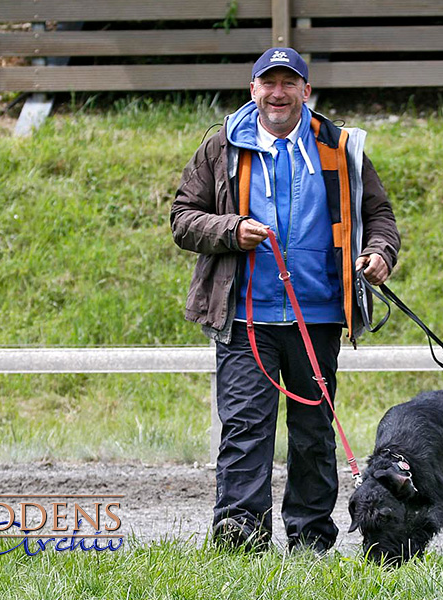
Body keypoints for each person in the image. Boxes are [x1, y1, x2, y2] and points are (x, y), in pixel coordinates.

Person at [170, 47, 400, 554]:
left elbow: (379, 215)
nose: (278, 93)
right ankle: (240, 541)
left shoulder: (339, 148)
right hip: (244, 315)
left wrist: (380, 253)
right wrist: (232, 229)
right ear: (253, 90)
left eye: (288, 83)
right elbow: (183, 220)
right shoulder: (221, 147)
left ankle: (310, 540)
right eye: (268, 83)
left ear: (305, 91)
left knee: (314, 435)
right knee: (246, 432)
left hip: (316, 317)